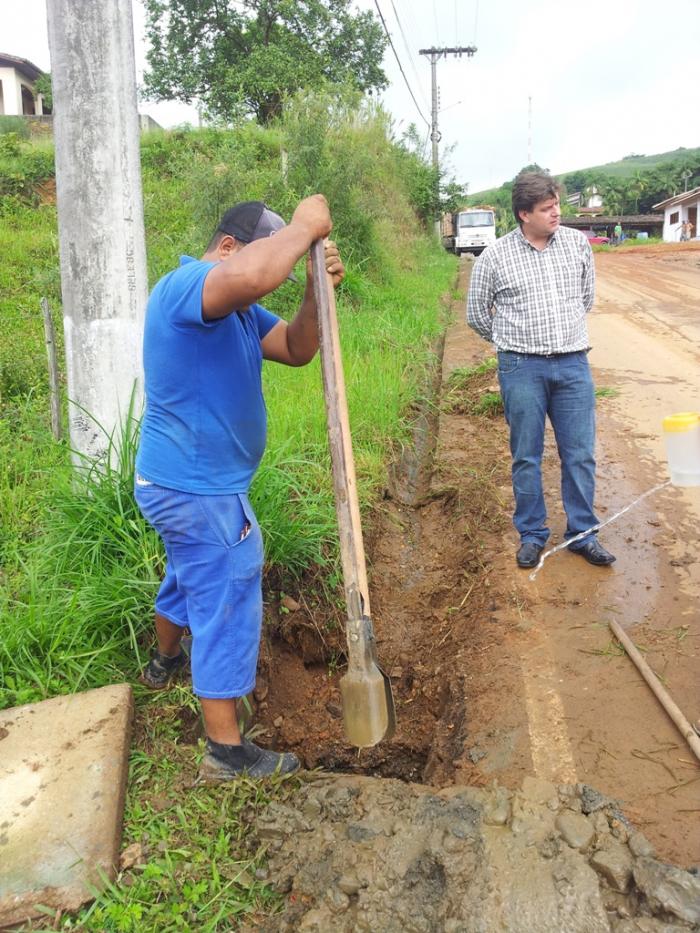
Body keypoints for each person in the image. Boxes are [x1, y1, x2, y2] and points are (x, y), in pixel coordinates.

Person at [134, 196, 345, 781]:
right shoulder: (188, 284)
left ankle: (165, 660)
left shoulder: (241, 313)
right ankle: (226, 753)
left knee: (189, 570)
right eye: (262, 254)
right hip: (196, 488)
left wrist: (310, 288)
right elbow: (255, 273)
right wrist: (304, 229)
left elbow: (298, 349)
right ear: (228, 247)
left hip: (183, 483)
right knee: (228, 581)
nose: (264, 280)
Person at [466, 172, 615, 570]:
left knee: (580, 454)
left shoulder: (576, 245)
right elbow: (477, 316)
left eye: (557, 206)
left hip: (572, 364)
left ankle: (583, 533)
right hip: (521, 367)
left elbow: (585, 297)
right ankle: (532, 535)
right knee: (526, 456)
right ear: (523, 214)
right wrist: (512, 342)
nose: (556, 214)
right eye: (547, 209)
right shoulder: (495, 256)